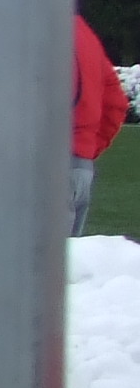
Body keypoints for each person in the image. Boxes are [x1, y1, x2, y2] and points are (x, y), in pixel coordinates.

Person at [72, 12, 129, 236]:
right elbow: (116, 103)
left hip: (39, 169)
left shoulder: (29, 28)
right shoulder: (83, 32)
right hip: (80, 169)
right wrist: (85, 150)